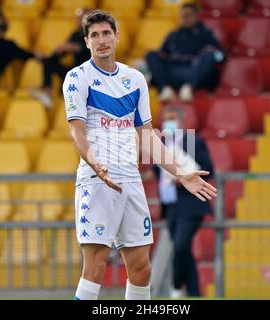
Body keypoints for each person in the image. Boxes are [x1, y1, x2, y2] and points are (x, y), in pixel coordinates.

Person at [63, 10, 217, 300]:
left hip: (130, 180)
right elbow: (77, 132)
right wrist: (94, 162)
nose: (101, 40)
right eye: (94, 35)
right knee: (95, 267)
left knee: (141, 268)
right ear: (86, 42)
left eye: (106, 33)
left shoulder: (134, 79)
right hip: (97, 179)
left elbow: (147, 137)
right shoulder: (77, 78)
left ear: (117, 36)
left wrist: (179, 172)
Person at [144, 106, 214, 298]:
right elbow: (161, 170)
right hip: (170, 207)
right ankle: (194, 292)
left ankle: (176, 285)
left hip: (191, 206)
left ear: (182, 121)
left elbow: (208, 169)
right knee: (185, 251)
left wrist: (184, 180)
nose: (169, 122)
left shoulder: (194, 142)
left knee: (181, 246)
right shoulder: (163, 145)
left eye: (172, 118)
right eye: (166, 118)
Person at [145, 3, 225, 103]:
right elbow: (162, 54)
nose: (185, 18)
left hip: (195, 71)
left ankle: (189, 88)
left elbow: (221, 56)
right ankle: (165, 89)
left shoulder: (205, 34)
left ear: (196, 16)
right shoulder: (173, 35)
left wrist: (212, 53)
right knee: (151, 55)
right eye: (183, 16)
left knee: (208, 55)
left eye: (189, 15)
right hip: (173, 70)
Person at [32, 7, 92, 108]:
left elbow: (91, 50)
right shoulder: (76, 34)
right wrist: (54, 53)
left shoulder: (97, 34)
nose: (81, 21)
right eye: (79, 18)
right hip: (75, 71)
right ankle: (47, 92)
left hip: (88, 75)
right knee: (48, 62)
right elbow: (64, 51)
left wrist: (74, 47)